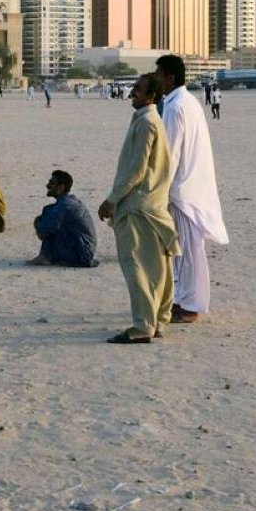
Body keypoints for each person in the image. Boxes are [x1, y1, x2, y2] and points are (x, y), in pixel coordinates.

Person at [97, 74, 177, 344]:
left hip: (139, 207)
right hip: (153, 204)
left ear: (151, 96)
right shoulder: (151, 120)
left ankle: (143, 326)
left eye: (138, 90)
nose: (132, 93)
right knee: (158, 267)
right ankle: (159, 321)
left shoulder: (147, 123)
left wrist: (111, 199)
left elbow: (136, 170)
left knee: (138, 267)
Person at [155, 56, 228, 325]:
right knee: (185, 249)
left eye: (159, 75)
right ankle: (184, 300)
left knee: (187, 250)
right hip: (189, 185)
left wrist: (159, 191)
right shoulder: (187, 102)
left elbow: (169, 155)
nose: (157, 80)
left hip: (183, 189)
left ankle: (190, 306)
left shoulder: (176, 108)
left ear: (170, 78)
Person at [28, 170, 98, 266]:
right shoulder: (67, 202)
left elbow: (43, 232)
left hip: (82, 254)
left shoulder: (65, 206)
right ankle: (46, 256)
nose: (47, 186)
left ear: (61, 187)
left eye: (52, 183)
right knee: (48, 211)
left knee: (49, 221)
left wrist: (37, 223)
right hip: (83, 250)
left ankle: (44, 256)